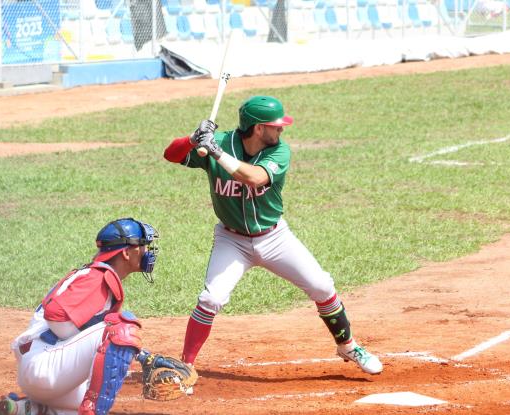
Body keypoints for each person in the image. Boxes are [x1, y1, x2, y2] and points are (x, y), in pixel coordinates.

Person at [163, 95, 383, 381]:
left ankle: (348, 346)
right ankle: (186, 365)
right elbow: (171, 155)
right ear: (257, 128)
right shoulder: (219, 142)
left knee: (321, 285)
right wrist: (192, 140)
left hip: (274, 237)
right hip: (233, 241)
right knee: (211, 299)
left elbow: (254, 177)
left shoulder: (278, 152)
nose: (282, 130)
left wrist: (215, 153)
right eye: (276, 126)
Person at [0, 217, 169, 415]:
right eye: (143, 245)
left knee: (92, 388)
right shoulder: (98, 278)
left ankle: (30, 409)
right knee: (121, 329)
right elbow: (56, 316)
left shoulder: (94, 274)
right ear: (126, 253)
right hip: (45, 368)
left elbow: (86, 330)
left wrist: (144, 356)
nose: (147, 251)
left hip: (43, 370)